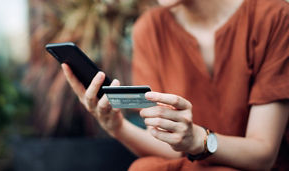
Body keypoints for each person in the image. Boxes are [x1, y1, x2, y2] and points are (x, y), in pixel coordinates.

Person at [61, 0, 289, 170]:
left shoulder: (273, 17)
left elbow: (263, 155)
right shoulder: (149, 29)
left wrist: (197, 139)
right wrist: (117, 127)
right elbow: (170, 145)